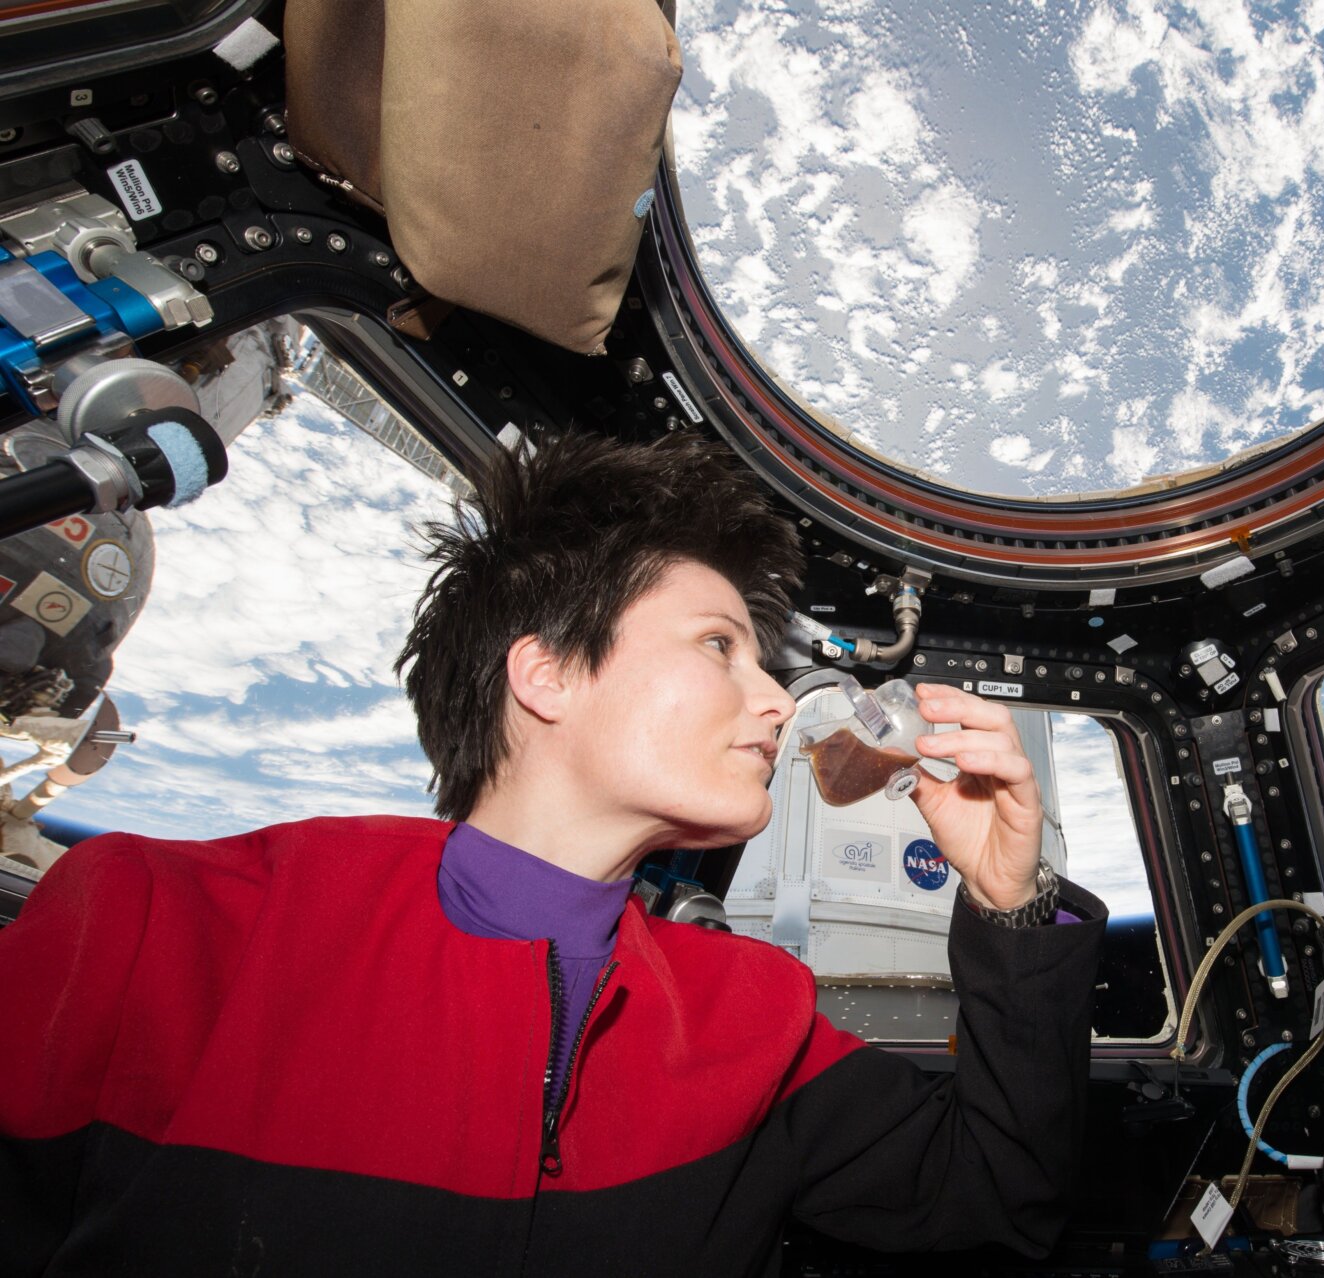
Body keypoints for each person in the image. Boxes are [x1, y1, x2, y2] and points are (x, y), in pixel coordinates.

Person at [0, 431, 1106, 1275]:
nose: (777, 700)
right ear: (547, 675)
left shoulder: (758, 1021)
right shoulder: (153, 924)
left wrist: (1011, 900)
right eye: (721, 646)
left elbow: (1000, 1198)